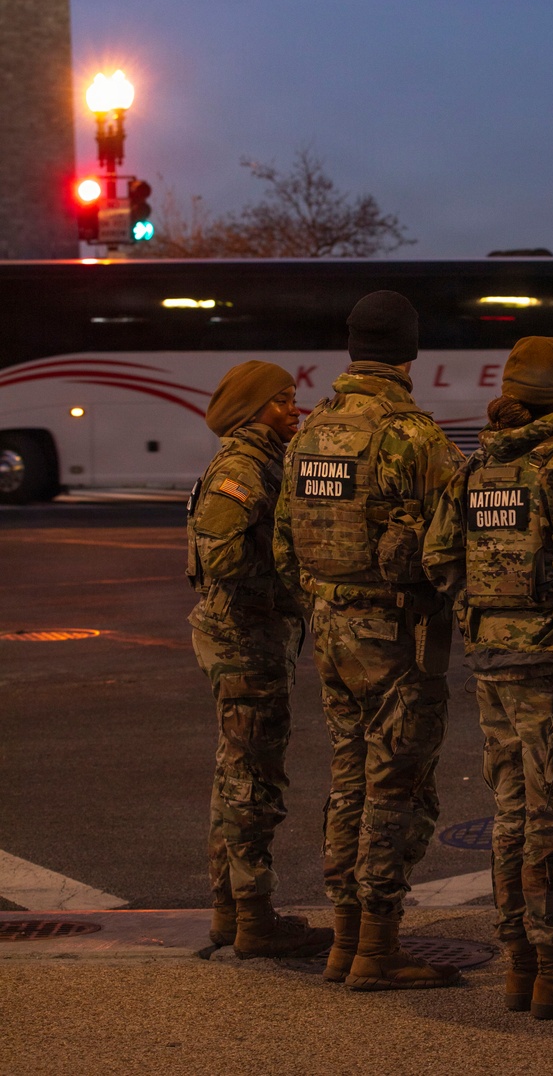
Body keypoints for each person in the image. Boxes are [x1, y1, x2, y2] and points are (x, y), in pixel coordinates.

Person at [424, 336, 553, 1021]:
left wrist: (484, 611)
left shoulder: (476, 468)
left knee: (511, 810)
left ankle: (517, 960)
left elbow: (438, 558)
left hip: (491, 655)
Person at [273, 290, 464, 990]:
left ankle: (344, 939)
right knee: (398, 783)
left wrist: (327, 597)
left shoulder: (310, 433)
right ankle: (378, 947)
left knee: (349, 773)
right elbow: (454, 546)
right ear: (410, 353)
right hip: (394, 633)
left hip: (328, 624)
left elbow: (283, 545)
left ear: (353, 348)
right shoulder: (413, 436)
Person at [187, 360, 332, 959]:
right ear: (252, 409)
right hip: (246, 641)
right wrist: (283, 582)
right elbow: (221, 555)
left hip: (253, 639)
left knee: (239, 773)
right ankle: (252, 918)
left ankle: (233, 913)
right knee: (251, 780)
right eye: (280, 401)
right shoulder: (243, 469)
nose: (291, 410)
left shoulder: (262, 460)